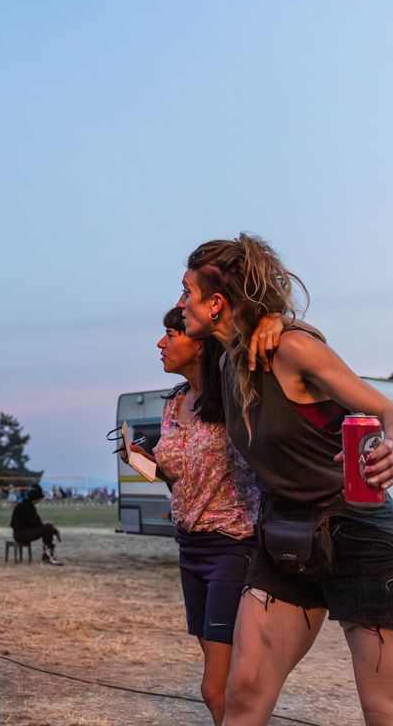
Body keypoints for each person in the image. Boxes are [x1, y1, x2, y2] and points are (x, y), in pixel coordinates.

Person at [179, 234, 393, 726]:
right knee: (244, 694)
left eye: (185, 291)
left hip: (361, 539)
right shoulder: (227, 360)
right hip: (285, 537)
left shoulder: (294, 349)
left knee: (384, 709)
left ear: (215, 303)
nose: (179, 303)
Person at [128, 307, 263, 725]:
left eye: (171, 333)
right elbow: (181, 478)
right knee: (223, 679)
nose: (160, 343)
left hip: (232, 543)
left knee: (215, 685)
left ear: (200, 343)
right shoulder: (173, 404)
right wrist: (147, 463)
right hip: (190, 545)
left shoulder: (236, 398)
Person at [9, 484, 63, 565]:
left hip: (18, 533)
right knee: (48, 528)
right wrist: (51, 526)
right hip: (21, 535)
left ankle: (47, 555)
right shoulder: (28, 506)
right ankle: (47, 556)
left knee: (48, 527)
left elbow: (34, 523)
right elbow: (37, 524)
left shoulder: (24, 504)